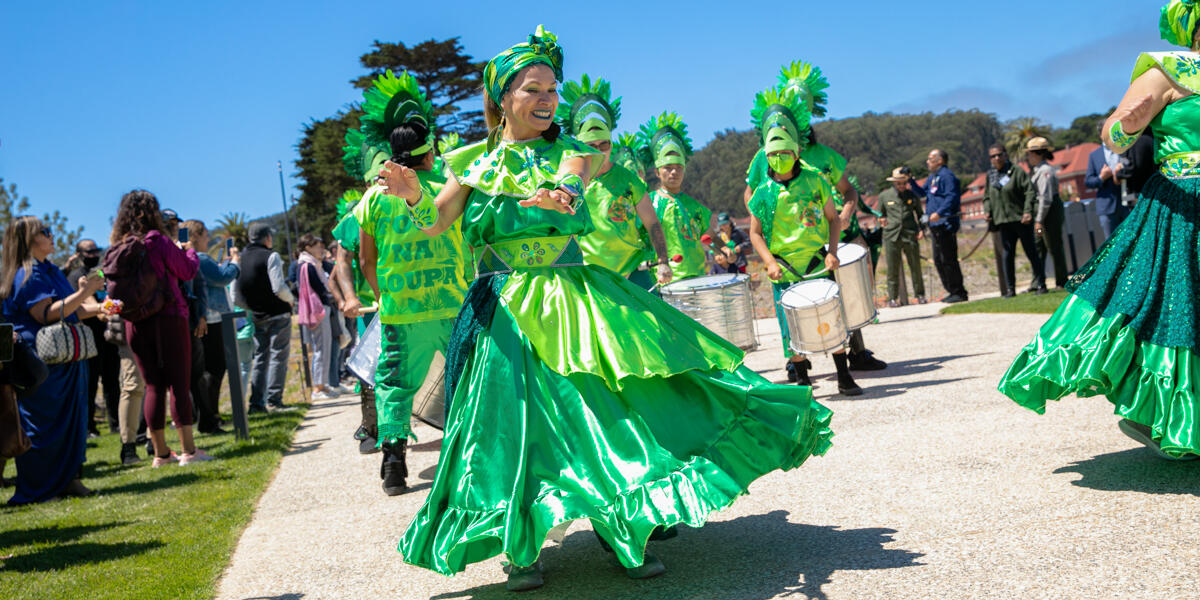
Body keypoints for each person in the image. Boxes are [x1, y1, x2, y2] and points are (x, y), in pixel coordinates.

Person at [381, 26, 833, 590]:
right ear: (503, 100)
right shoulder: (470, 161)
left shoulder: (572, 153)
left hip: (570, 299)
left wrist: (557, 195)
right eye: (532, 89)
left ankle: (624, 532)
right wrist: (412, 194)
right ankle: (520, 549)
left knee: (602, 418)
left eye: (551, 89)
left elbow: (569, 187)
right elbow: (437, 221)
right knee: (510, 429)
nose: (547, 99)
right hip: (502, 310)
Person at [999, 0, 1200, 460]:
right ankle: (1156, 411)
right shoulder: (1170, 69)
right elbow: (1114, 131)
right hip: (1182, 205)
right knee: (1167, 308)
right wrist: (1125, 127)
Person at [348, 70, 472, 494]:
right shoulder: (449, 187)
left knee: (395, 387)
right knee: (464, 379)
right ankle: (467, 462)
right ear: (430, 151)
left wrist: (384, 298)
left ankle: (394, 465)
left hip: (401, 310)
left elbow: (366, 258)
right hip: (453, 304)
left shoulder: (372, 198)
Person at [741, 60, 886, 371]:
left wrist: (847, 212)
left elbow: (848, 191)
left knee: (845, 287)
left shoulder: (823, 156)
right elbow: (750, 194)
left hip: (831, 232)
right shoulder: (762, 155)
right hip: (788, 244)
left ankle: (856, 350)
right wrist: (766, 220)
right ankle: (797, 358)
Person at [1, 216, 102, 502]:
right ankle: (39, 489)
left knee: (71, 422)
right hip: (42, 362)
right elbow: (44, 315)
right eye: (44, 232)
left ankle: (68, 479)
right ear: (29, 240)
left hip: (65, 357)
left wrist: (99, 308)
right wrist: (85, 292)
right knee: (44, 426)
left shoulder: (49, 270)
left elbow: (70, 309)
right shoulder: (28, 273)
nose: (51, 235)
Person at [109, 191, 214, 466]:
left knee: (153, 385)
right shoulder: (159, 241)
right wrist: (188, 250)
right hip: (169, 317)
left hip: (135, 322)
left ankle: (161, 454)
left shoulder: (121, 245)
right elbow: (188, 271)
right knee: (178, 384)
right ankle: (189, 451)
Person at [556, 74, 673, 288]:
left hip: (634, 269)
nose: (600, 151)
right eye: (592, 146)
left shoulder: (629, 180)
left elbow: (652, 223)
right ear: (581, 147)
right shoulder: (571, 181)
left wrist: (663, 261)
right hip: (592, 275)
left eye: (605, 145)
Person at [329, 190, 380, 455]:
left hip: (417, 301)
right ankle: (370, 428)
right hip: (374, 310)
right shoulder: (358, 215)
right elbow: (343, 260)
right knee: (371, 367)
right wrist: (349, 296)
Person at [638, 111, 713, 283]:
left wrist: (724, 250)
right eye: (668, 167)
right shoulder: (647, 203)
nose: (674, 172)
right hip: (666, 282)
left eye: (679, 167)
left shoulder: (694, 206)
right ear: (657, 172)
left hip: (698, 278)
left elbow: (710, 236)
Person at [235, 222, 295, 413]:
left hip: (257, 315)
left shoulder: (240, 260)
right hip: (278, 313)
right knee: (278, 356)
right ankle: (274, 400)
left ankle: (256, 404)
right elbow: (278, 287)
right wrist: (291, 300)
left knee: (260, 358)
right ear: (267, 238)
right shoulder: (272, 256)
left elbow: (235, 296)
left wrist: (251, 307)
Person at [66, 238, 119, 436]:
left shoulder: (98, 273)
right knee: (89, 384)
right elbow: (87, 306)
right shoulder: (75, 276)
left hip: (108, 336)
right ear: (79, 254)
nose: (94, 255)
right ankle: (89, 427)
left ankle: (116, 424)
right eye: (89, 252)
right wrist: (103, 310)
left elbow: (106, 293)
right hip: (88, 338)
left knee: (112, 382)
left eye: (96, 251)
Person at [195, 221, 240, 433]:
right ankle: (210, 417)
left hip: (206, 317)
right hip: (211, 319)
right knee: (214, 369)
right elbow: (222, 278)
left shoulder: (193, 258)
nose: (208, 239)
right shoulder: (201, 258)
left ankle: (210, 416)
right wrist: (235, 263)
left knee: (209, 369)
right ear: (196, 236)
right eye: (205, 235)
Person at [983, 145, 1047, 296]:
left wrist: (1027, 212)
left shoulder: (1016, 171)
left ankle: (1041, 284)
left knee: (1031, 252)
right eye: (993, 156)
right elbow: (986, 196)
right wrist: (987, 210)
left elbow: (1030, 192)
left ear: (1005, 155)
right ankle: (1010, 289)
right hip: (1003, 222)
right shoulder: (990, 175)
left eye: (999, 155)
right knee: (1007, 255)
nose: (996, 158)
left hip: (1020, 219)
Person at [909, 149, 968, 303]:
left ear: (940, 160)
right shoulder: (933, 177)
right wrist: (910, 180)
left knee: (949, 259)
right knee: (938, 260)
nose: (927, 162)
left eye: (930, 159)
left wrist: (940, 212)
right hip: (935, 225)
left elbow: (952, 197)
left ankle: (959, 292)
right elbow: (922, 193)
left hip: (945, 223)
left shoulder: (947, 176)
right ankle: (951, 290)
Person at [296, 234, 339, 401]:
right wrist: (329, 296)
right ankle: (317, 387)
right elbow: (319, 288)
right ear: (308, 247)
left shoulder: (315, 264)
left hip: (320, 309)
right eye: (317, 246)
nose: (321, 249)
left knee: (325, 347)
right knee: (320, 348)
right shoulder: (308, 265)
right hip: (318, 310)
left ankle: (323, 384)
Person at [879, 167, 927, 306]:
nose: (901, 186)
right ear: (894, 183)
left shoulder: (912, 195)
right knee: (892, 269)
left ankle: (920, 295)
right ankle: (893, 298)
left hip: (910, 234)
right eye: (898, 183)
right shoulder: (884, 196)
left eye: (903, 183)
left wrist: (922, 229)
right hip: (892, 235)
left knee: (915, 267)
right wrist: (881, 220)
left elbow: (920, 214)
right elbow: (880, 214)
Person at [1025, 137, 1068, 288]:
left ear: (1038, 154)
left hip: (1049, 212)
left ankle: (1061, 280)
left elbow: (1045, 198)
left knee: (1054, 246)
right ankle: (1037, 280)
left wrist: (1039, 219)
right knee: (1038, 246)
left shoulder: (1045, 171)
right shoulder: (1036, 171)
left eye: (1030, 154)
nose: (1028, 157)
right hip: (1042, 212)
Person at [1085, 124, 1132, 238]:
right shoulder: (1094, 155)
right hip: (1106, 207)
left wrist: (1122, 172)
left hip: (1128, 203)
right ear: (1101, 135)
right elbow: (1088, 181)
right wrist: (1101, 177)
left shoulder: (1124, 149)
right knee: (1111, 244)